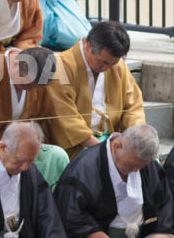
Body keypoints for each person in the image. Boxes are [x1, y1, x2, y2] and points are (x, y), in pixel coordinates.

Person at [54, 123, 173, 238]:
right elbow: (71, 215)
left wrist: (166, 235)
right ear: (117, 146)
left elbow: (163, 201)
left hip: (144, 236)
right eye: (131, 165)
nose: (135, 170)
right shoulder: (84, 168)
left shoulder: (144, 163)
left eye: (141, 167)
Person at [44, 19, 143, 158]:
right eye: (103, 62)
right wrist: (103, 150)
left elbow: (133, 107)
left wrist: (136, 138)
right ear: (89, 46)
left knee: (147, 160)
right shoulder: (61, 67)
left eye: (111, 64)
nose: (107, 69)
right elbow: (65, 119)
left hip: (113, 139)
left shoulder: (117, 65)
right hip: (80, 145)